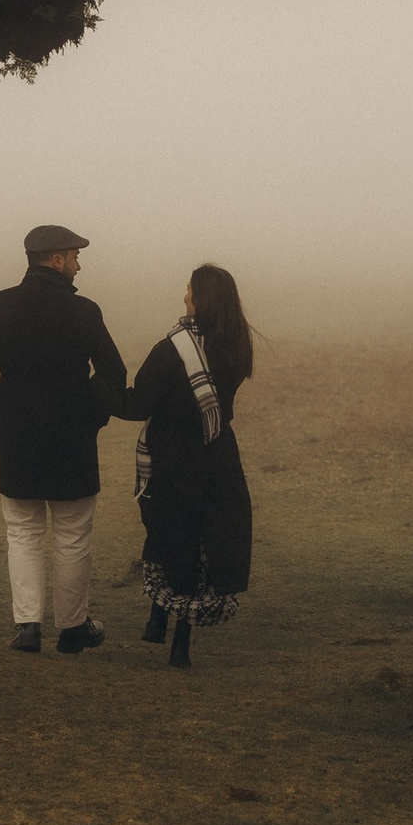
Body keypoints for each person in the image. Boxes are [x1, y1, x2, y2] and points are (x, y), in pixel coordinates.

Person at [0, 224, 130, 655]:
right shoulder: (84, 311)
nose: (79, 264)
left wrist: (9, 413)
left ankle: (28, 628)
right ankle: (73, 628)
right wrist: (92, 416)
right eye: (74, 256)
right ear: (56, 260)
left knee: (22, 531)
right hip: (72, 439)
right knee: (73, 534)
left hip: (18, 439)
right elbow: (114, 373)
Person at [127, 263, 255, 669]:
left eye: (189, 291)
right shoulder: (236, 346)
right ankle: (179, 642)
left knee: (167, 532)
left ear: (200, 300)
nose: (184, 296)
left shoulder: (173, 349)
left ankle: (158, 615)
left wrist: (96, 390)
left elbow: (139, 403)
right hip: (217, 455)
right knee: (200, 545)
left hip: (172, 458)